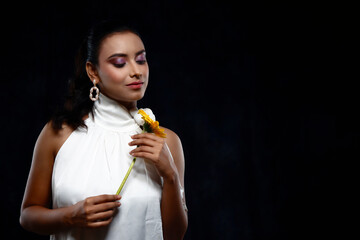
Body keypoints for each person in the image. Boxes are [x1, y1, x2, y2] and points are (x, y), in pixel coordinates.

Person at [19, 20, 188, 240]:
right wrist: (70, 216)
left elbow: (175, 236)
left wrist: (171, 175)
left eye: (141, 59)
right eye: (120, 63)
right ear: (93, 72)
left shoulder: (166, 141)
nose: (137, 72)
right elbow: (28, 215)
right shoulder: (59, 133)